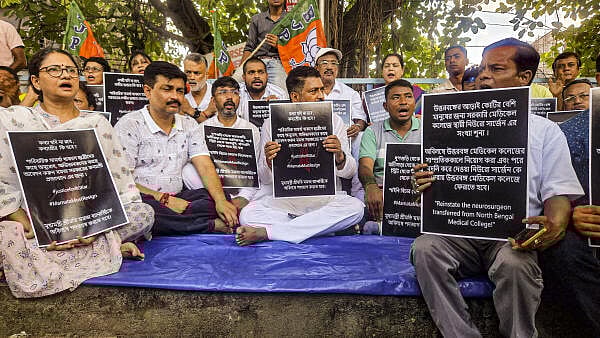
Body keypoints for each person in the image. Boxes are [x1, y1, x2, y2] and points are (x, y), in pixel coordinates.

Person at [412, 38, 583, 337]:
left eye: (496, 69)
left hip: (511, 238)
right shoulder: (449, 124)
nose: (484, 76)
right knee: (425, 248)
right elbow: (429, 185)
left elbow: (558, 192)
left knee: (516, 265)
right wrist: (423, 182)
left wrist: (554, 223)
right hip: (457, 234)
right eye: (483, 69)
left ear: (524, 78)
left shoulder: (545, 131)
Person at [0, 48, 153, 298]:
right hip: (33, 221)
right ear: (36, 81)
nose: (66, 75)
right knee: (8, 232)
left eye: (71, 70)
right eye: (54, 70)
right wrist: (30, 222)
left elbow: (118, 183)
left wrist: (90, 226)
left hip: (89, 219)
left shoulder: (96, 124)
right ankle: (109, 246)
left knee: (143, 213)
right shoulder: (15, 120)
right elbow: (4, 183)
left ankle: (94, 242)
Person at [236, 66, 363, 245]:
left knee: (356, 208)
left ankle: (269, 232)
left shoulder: (335, 121)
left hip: (325, 198)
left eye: (321, 89)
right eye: (314, 91)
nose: (321, 96)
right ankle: (321, 228)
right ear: (295, 97)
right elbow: (264, 179)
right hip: (286, 201)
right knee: (247, 215)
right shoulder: (271, 123)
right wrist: (269, 161)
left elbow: (349, 172)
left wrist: (340, 156)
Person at [114, 61, 238, 236]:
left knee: (220, 197)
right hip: (144, 199)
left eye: (180, 91)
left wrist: (220, 201)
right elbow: (123, 181)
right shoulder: (129, 125)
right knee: (143, 212)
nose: (176, 97)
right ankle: (207, 226)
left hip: (180, 198)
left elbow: (204, 164)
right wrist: (163, 199)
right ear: (148, 91)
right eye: (167, 89)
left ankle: (169, 226)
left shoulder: (189, 124)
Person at [182, 76, 261, 212]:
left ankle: (226, 206)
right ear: (213, 101)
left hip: (241, 188)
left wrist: (244, 197)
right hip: (212, 188)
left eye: (234, 92)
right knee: (187, 171)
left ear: (239, 99)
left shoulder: (251, 130)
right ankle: (218, 204)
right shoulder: (202, 128)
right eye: (223, 92)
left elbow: (255, 170)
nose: (229, 97)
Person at [359, 79, 420, 222]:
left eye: (408, 96)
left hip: (418, 198)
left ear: (414, 103)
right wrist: (370, 186)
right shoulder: (372, 131)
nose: (403, 101)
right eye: (396, 97)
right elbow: (365, 166)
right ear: (385, 106)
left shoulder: (427, 130)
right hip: (382, 198)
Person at [240, 0, 288, 90]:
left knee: (279, 94)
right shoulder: (257, 19)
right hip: (256, 63)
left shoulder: (291, 19)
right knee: (237, 88)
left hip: (279, 63)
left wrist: (280, 45)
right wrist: (241, 68)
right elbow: (249, 48)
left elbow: (296, 48)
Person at [237, 56, 288, 121]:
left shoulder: (279, 94)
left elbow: (285, 124)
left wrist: (276, 108)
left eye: (261, 72)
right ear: (244, 77)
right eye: (251, 72)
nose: (256, 76)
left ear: (267, 76)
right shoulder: (236, 93)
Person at [180, 53, 217, 123]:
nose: (192, 77)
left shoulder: (217, 93)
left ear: (206, 75)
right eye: (188, 72)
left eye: (197, 73)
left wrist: (190, 111)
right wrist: (207, 112)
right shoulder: (179, 95)